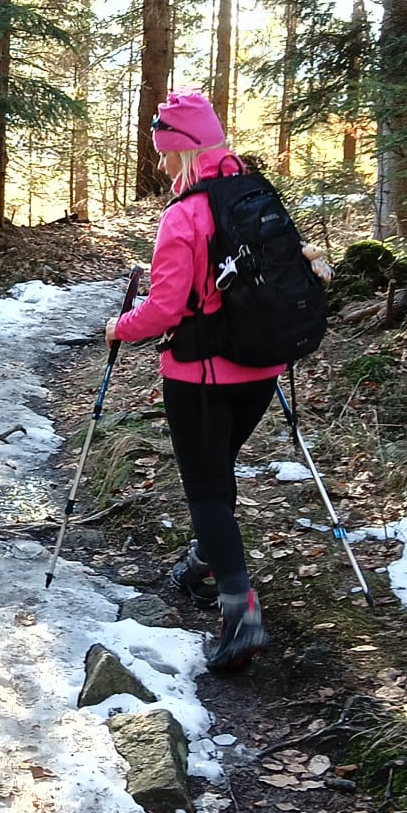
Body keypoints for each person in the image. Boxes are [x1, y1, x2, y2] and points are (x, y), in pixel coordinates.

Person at [105, 88, 282, 672]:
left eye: (163, 154)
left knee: (206, 490)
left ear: (183, 149)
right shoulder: (257, 194)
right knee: (217, 469)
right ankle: (203, 563)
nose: (161, 166)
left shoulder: (183, 216)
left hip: (200, 376)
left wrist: (117, 327)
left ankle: (240, 613)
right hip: (262, 367)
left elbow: (163, 310)